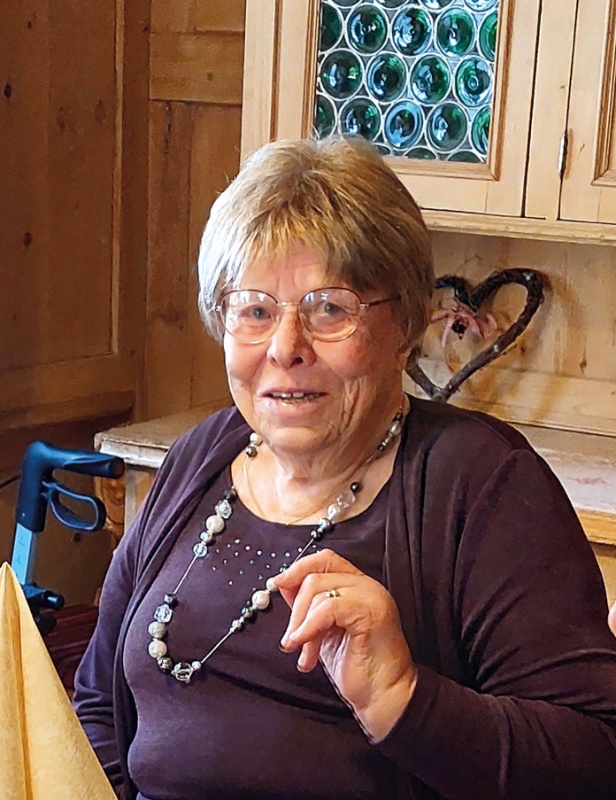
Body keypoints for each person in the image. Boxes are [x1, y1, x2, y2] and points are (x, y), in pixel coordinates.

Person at [74, 137, 616, 800]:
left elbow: (596, 759)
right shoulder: (199, 458)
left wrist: (402, 697)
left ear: (406, 324)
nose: (285, 347)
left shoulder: (483, 486)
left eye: (330, 308)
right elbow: (98, 707)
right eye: (255, 310)